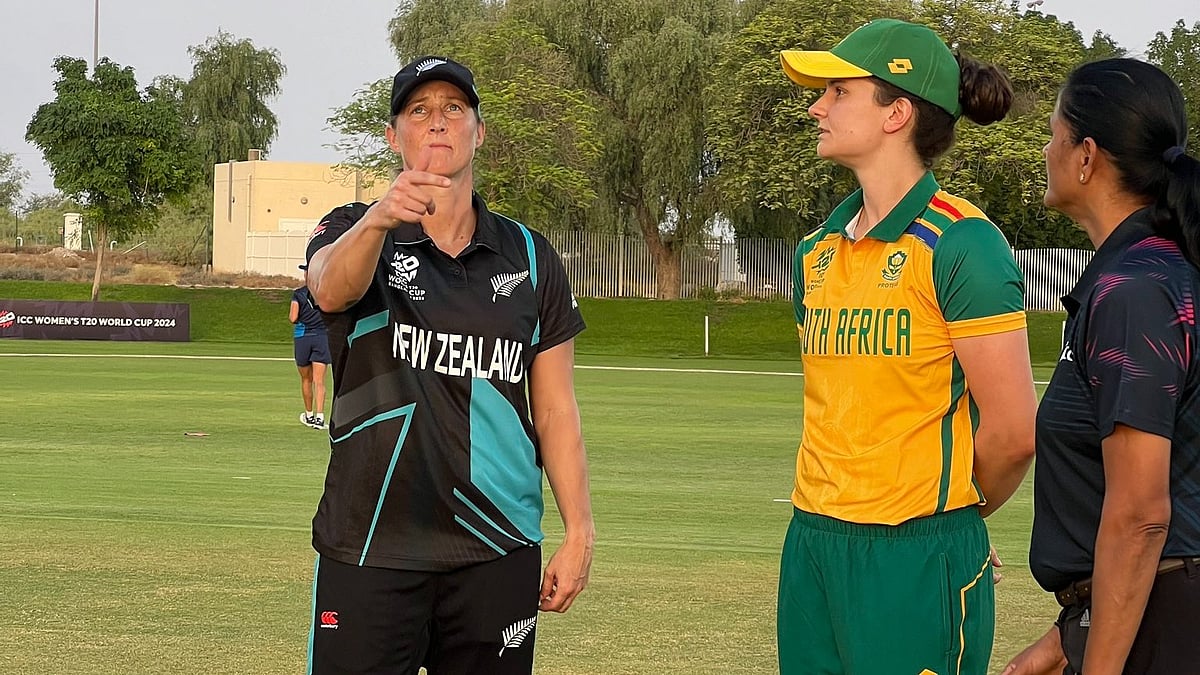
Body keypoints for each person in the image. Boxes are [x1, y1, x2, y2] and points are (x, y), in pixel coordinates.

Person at [301, 55, 594, 674]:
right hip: (372, 543)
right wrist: (383, 215)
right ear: (394, 135)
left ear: (478, 132)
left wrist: (579, 531)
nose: (438, 123)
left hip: (496, 545)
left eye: (454, 110)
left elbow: (555, 407)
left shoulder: (530, 254)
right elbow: (328, 290)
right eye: (419, 111)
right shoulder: (355, 228)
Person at [776, 18, 1038, 674]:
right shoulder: (816, 252)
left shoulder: (964, 245)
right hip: (812, 541)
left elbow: (1012, 431)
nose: (817, 106)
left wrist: (954, 514)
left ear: (897, 112)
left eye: (838, 92)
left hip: (916, 553)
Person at [1003, 59, 1200, 675]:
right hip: (1147, 614)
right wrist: (1067, 638)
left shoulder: (1134, 291)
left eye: (1054, 134)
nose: (1045, 149)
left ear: (1085, 156)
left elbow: (1142, 516)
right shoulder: (1149, 275)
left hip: (1165, 627)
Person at [290, 274, 330, 430]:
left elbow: (293, 317)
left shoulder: (299, 294)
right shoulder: (325, 292)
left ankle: (309, 415)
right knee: (319, 381)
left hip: (302, 337)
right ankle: (320, 418)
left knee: (306, 379)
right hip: (321, 336)